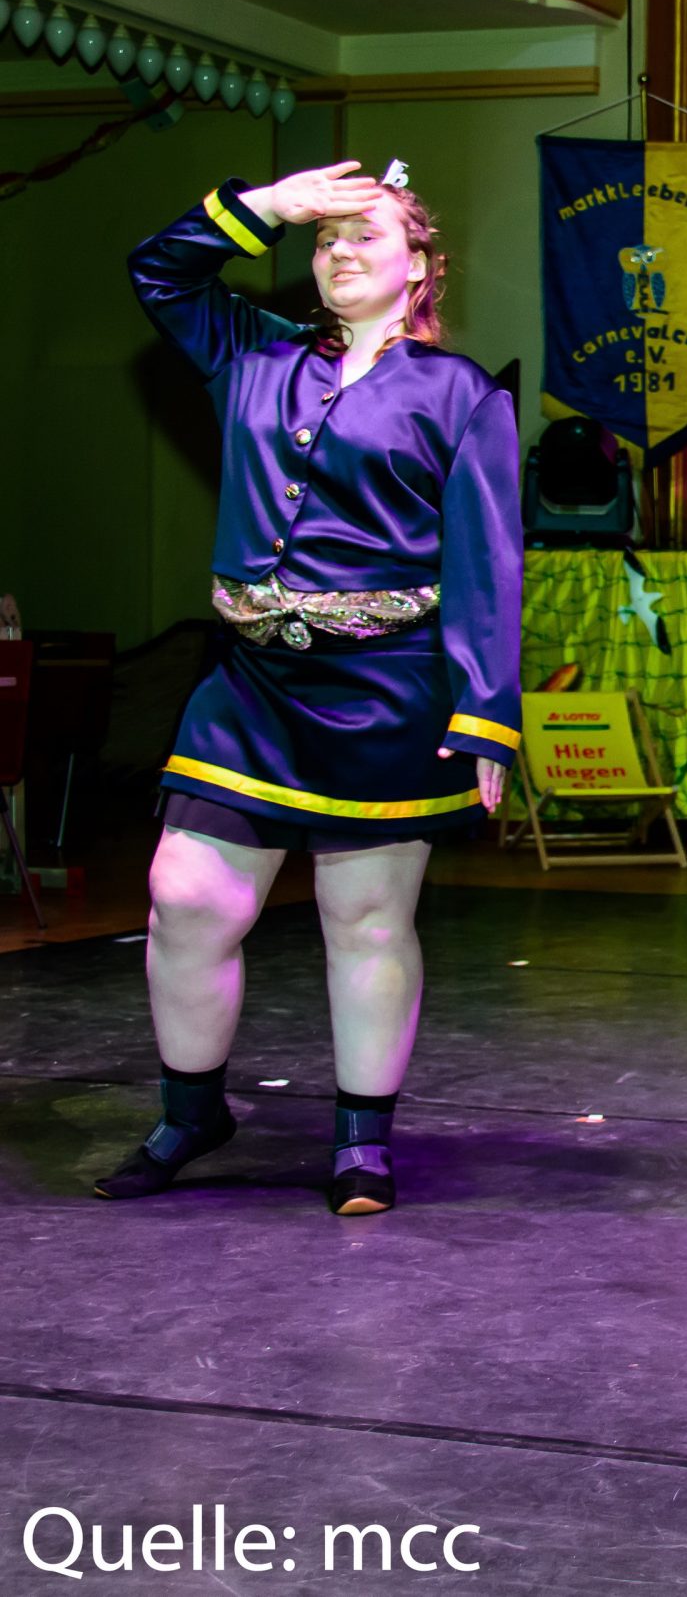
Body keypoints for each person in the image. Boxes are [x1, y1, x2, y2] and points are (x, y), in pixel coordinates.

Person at [96, 161, 521, 1217]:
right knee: (185, 899)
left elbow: (487, 558)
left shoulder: (460, 393)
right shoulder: (252, 353)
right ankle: (192, 1113)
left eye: (366, 234)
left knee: (365, 919)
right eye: (325, 238)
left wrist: (485, 711)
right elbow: (159, 272)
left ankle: (361, 1142)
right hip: (249, 684)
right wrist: (267, 207)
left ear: (419, 264)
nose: (338, 251)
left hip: (385, 692)